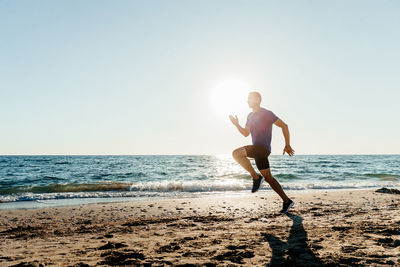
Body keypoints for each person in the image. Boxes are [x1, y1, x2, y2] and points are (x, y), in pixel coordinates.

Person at [229, 91, 295, 213]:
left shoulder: (266, 114)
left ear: (258, 99)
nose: (247, 101)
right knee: (269, 178)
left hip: (262, 149)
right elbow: (245, 133)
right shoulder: (249, 116)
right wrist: (236, 124)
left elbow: (284, 126)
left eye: (250, 98)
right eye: (247, 98)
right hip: (258, 151)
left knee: (236, 153)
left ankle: (256, 177)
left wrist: (287, 144)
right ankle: (287, 201)